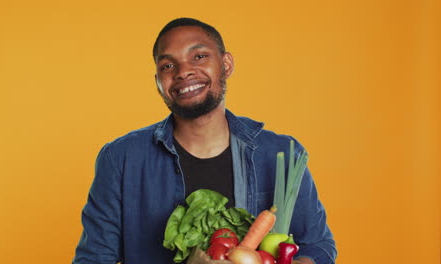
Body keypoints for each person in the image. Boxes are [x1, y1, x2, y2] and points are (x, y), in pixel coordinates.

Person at [73, 18, 337, 264]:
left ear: (226, 64)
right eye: (167, 65)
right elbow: (94, 258)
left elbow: (318, 246)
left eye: (199, 56)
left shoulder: (281, 154)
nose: (183, 71)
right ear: (158, 82)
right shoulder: (121, 159)